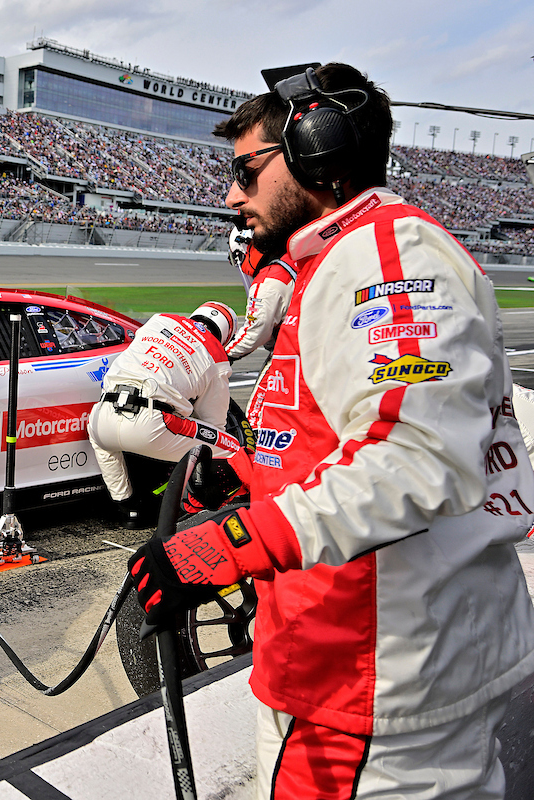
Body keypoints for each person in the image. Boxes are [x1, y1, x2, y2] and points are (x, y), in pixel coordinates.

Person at [127, 63, 534, 799]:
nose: (232, 195)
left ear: (319, 150)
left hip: (375, 682)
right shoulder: (337, 265)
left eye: (247, 170)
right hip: (360, 666)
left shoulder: (387, 257)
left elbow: (415, 462)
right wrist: (244, 475)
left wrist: (232, 544)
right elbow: (341, 441)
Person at [87, 301, 245, 529]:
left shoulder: (159, 320)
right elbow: (214, 422)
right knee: (230, 446)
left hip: (103, 414)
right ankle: (198, 504)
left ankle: (128, 508)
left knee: (103, 445)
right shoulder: (216, 354)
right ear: (226, 335)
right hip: (151, 421)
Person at [224, 223, 298, 362]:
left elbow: (255, 332)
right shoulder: (294, 261)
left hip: (295, 353)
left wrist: (225, 354)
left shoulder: (267, 281)